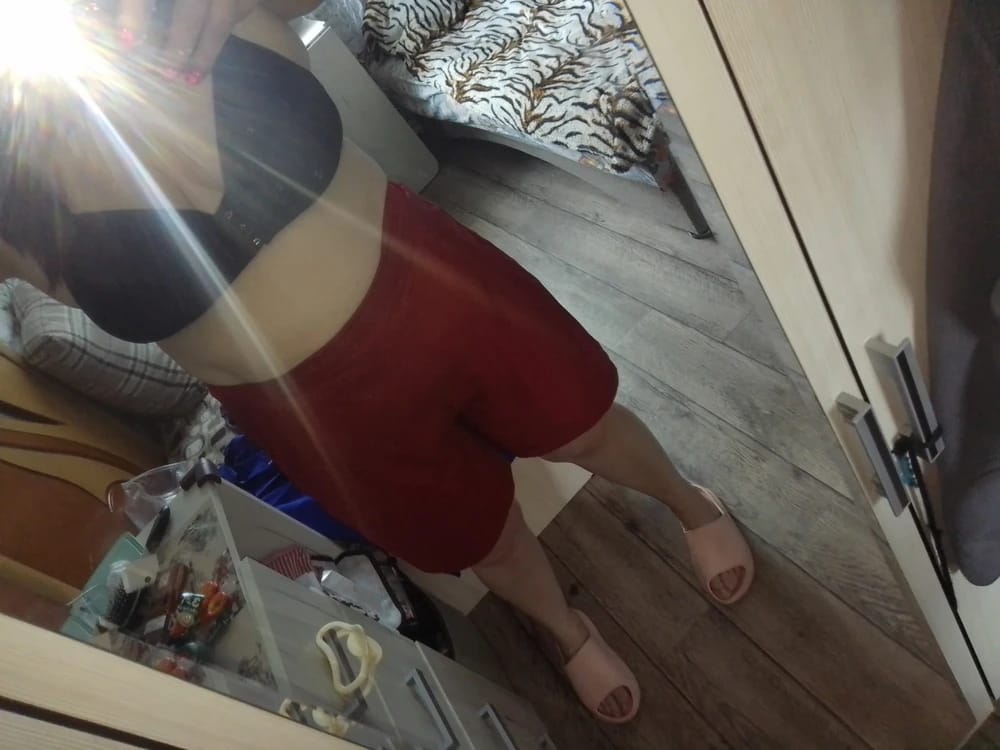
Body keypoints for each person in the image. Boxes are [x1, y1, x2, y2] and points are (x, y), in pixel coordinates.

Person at [0, 0, 754, 723]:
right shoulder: (12, 189)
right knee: (482, 537)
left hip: (435, 288)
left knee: (582, 425)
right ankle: (568, 631)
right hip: (313, 413)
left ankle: (690, 504)